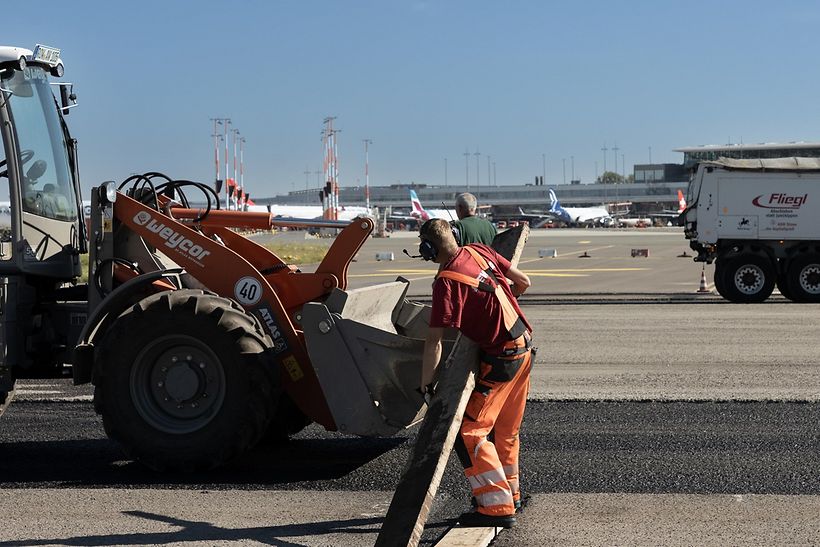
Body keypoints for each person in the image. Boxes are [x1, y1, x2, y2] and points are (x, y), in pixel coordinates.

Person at [418, 218, 533, 529]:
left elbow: (434, 342)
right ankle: (513, 493)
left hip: (503, 360)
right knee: (505, 431)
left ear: (428, 249)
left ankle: (497, 506)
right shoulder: (480, 251)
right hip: (524, 348)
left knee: (470, 430)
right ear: (454, 236)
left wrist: (426, 384)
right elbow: (524, 282)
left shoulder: (446, 282)